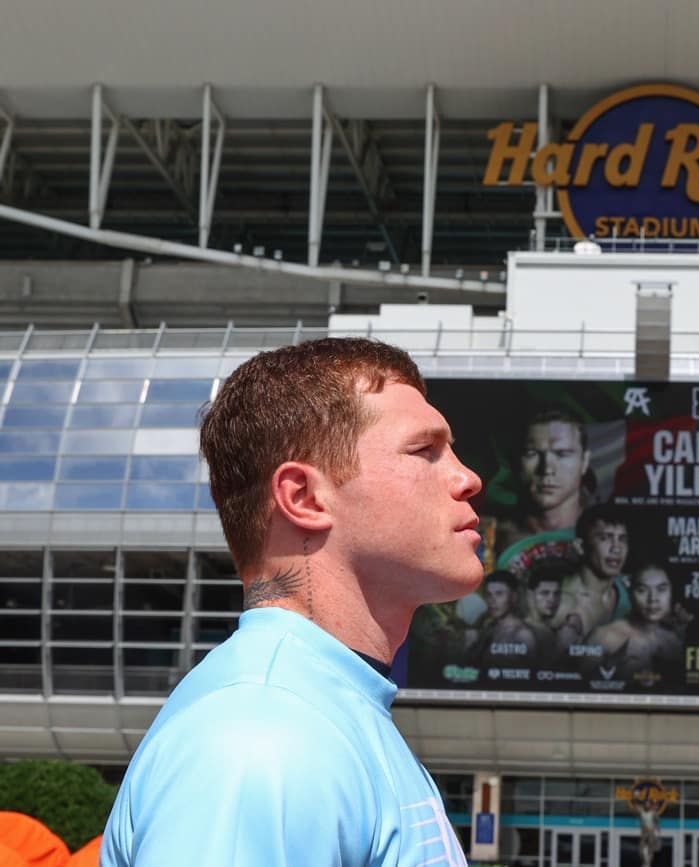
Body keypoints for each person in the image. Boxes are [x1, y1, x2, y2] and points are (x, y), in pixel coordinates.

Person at [102, 338, 482, 867]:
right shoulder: (263, 735)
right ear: (304, 497)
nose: (467, 478)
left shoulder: (320, 712)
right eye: (425, 451)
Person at [493, 407, 592, 563]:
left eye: (562, 454)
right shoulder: (491, 537)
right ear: (516, 461)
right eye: (531, 453)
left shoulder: (614, 535)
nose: (547, 469)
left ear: (585, 461)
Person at [550, 503, 632, 649]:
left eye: (622, 539)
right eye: (605, 538)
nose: (616, 548)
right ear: (580, 546)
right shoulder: (558, 603)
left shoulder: (633, 593)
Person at [587, 564, 682, 686]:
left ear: (671, 591)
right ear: (630, 592)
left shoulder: (673, 641)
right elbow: (576, 688)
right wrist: (610, 666)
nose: (653, 599)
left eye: (661, 589)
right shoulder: (603, 637)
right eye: (642, 590)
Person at [464, 571, 539, 665]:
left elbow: (533, 673)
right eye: (489, 594)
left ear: (514, 596)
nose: (492, 600)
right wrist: (470, 648)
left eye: (499, 594)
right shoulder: (488, 628)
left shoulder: (523, 635)